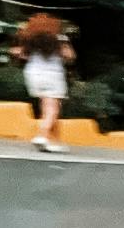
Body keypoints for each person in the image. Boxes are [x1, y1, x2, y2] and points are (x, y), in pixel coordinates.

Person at [15, 13, 75, 155]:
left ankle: (55, 141)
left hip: (33, 75)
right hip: (52, 75)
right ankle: (42, 135)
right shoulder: (59, 39)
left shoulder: (30, 40)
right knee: (53, 109)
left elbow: (22, 55)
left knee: (47, 108)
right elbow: (69, 55)